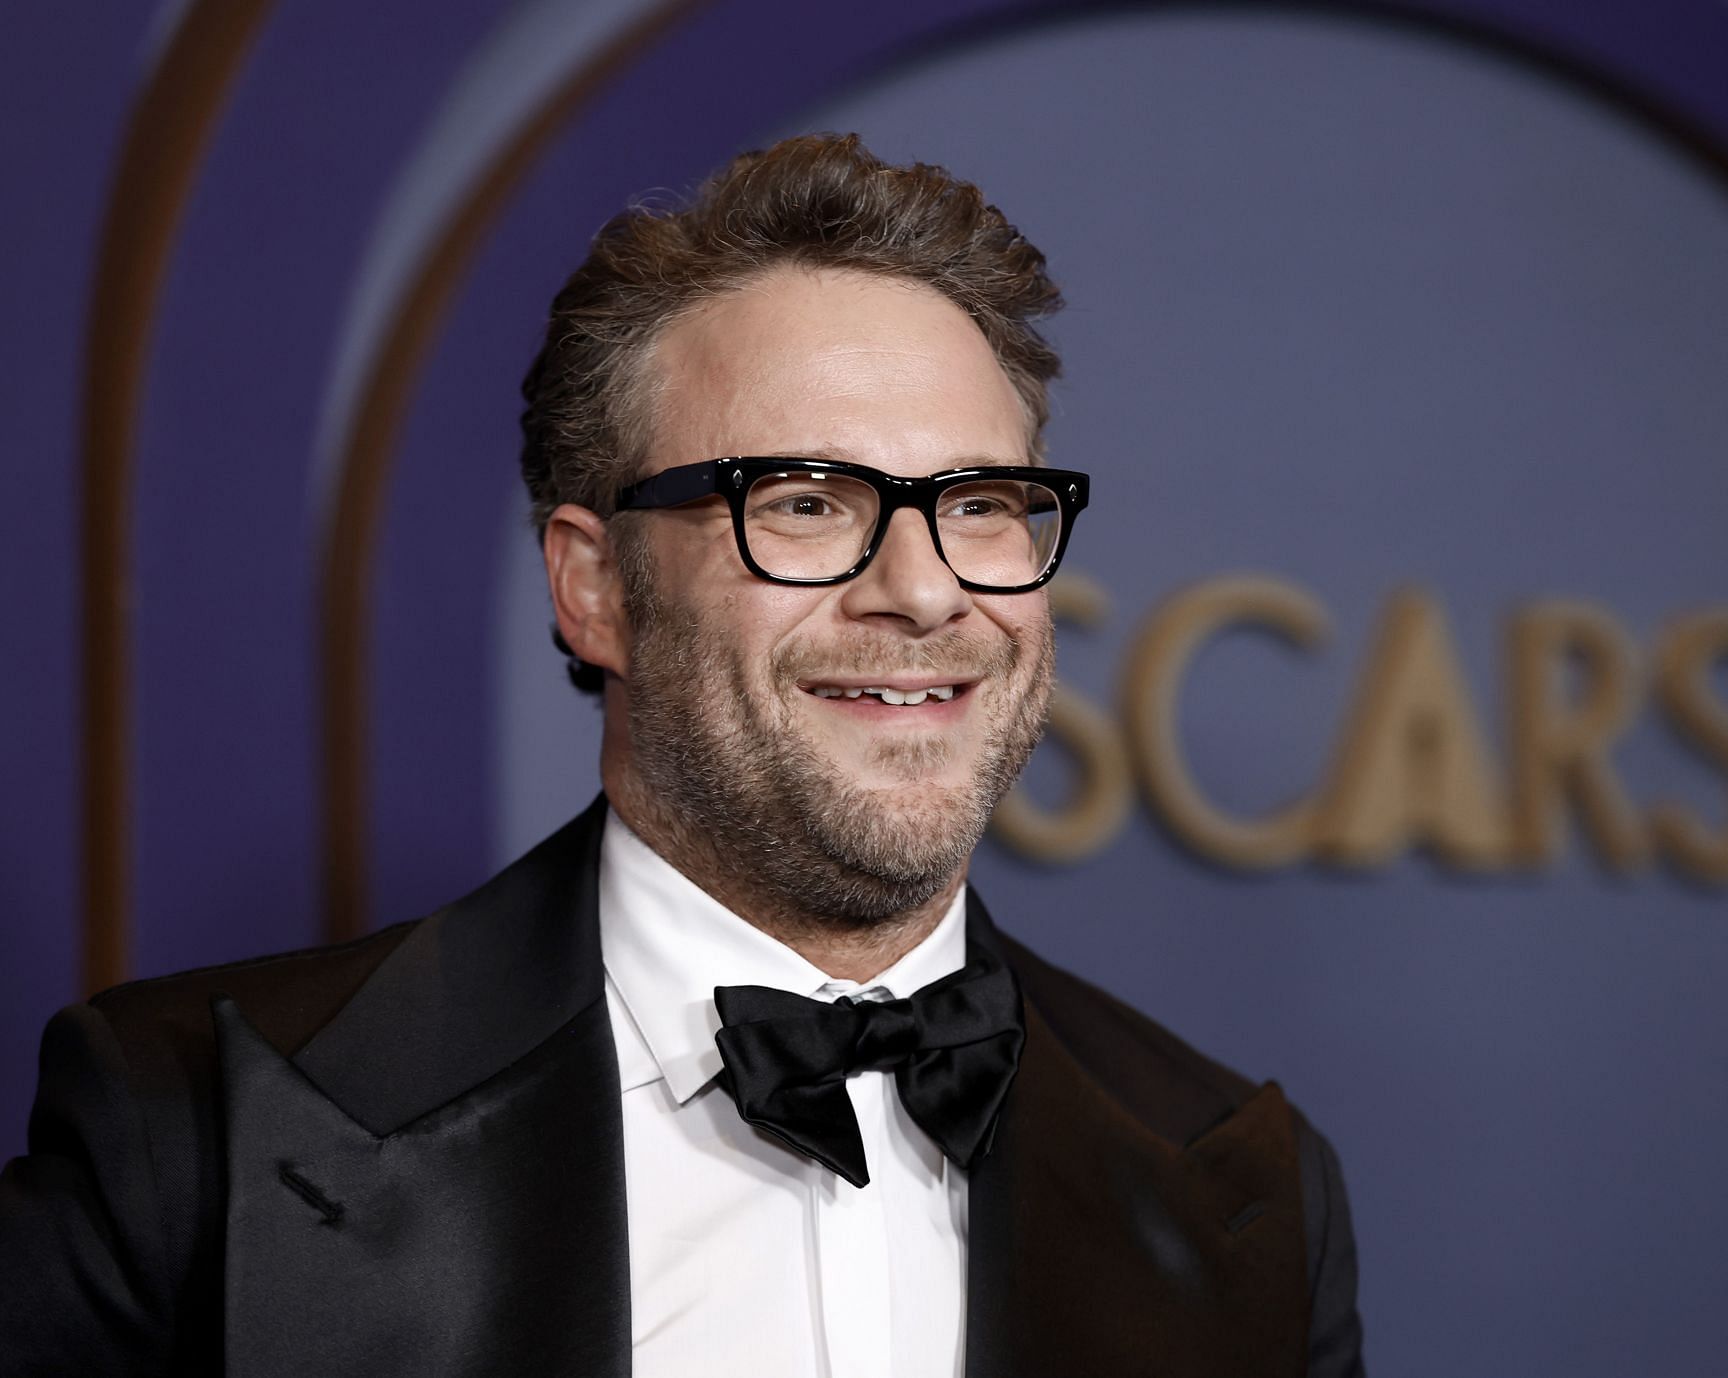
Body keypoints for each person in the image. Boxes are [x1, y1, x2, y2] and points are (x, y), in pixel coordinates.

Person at [0, 133, 1363, 1376]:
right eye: (808, 501)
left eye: (981, 504)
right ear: (593, 587)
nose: (926, 589)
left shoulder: (1244, 1194)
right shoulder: (194, 1134)